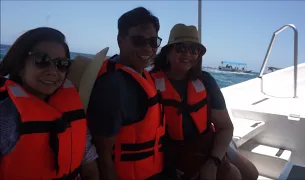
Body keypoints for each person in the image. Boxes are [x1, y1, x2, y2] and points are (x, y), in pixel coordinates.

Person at [0, 27, 99, 180]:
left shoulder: (71, 114)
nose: (53, 71)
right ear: (19, 65)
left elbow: (89, 166)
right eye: (41, 60)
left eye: (62, 64)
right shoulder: (5, 118)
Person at [150, 23, 238, 180]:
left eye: (194, 49)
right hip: (169, 155)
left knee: (248, 174)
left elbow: (225, 127)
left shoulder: (206, 82)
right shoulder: (150, 83)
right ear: (168, 52)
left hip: (206, 148)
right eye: (181, 48)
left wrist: (213, 162)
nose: (188, 54)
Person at [86, 7, 165, 180]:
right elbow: (104, 156)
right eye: (138, 41)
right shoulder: (114, 87)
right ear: (120, 41)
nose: (147, 48)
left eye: (153, 42)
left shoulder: (142, 74)